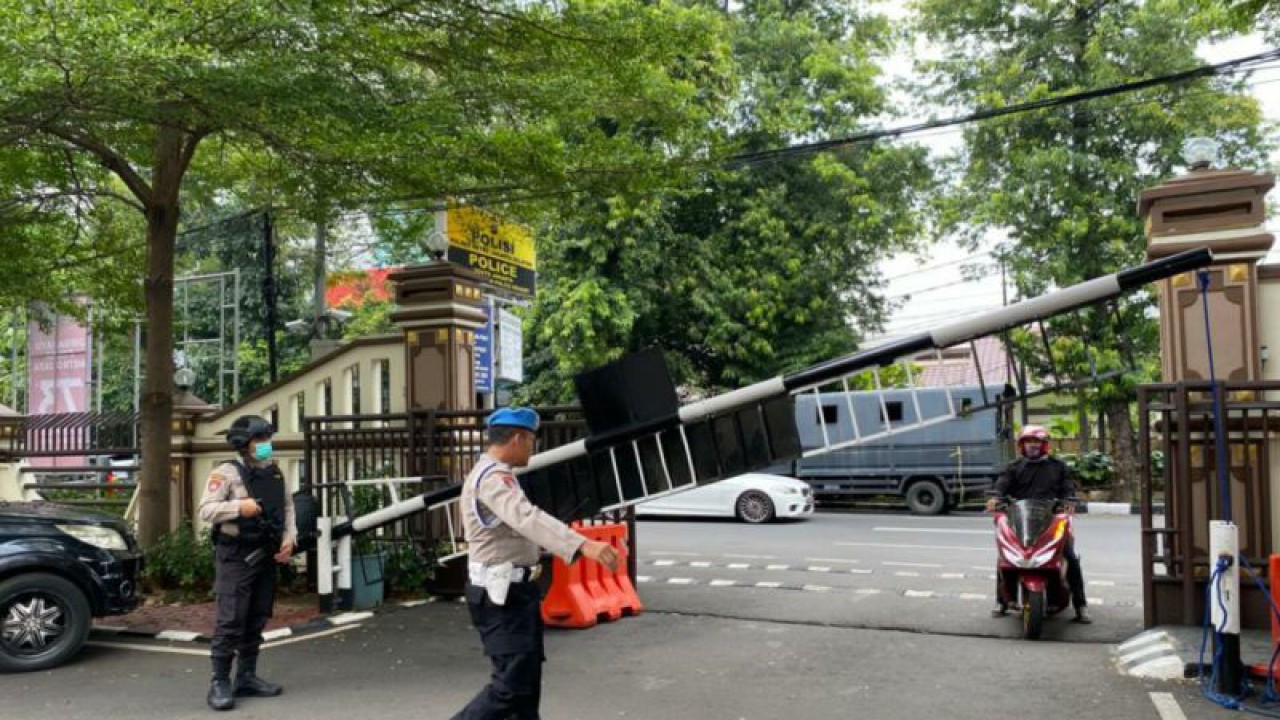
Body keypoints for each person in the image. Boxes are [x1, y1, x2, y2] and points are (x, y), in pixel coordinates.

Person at [452, 407, 621, 720]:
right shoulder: (492, 480)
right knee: (511, 689)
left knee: (525, 690)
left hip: (514, 591)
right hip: (500, 595)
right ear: (517, 438)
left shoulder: (497, 475)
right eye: (531, 441)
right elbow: (527, 518)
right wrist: (582, 544)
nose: (533, 448)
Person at [198, 415, 297, 711]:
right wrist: (239, 507)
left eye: (268, 439)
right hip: (235, 555)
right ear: (244, 444)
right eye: (260, 440)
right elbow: (206, 510)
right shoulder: (226, 473)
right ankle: (219, 682)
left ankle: (247, 676)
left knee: (257, 617)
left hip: (265, 554)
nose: (266, 445)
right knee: (230, 620)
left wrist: (289, 539)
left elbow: (288, 508)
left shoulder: (275, 472)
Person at [985, 424, 1090, 623]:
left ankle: (1080, 605)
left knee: (1070, 557)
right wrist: (996, 498)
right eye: (1028, 442)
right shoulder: (1014, 467)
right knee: (1005, 556)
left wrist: (1069, 502)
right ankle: (1002, 601)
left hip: (1052, 520)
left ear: (1044, 445)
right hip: (1021, 520)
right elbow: (1001, 486)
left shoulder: (1058, 466)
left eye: (1037, 442)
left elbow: (1068, 489)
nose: (1033, 445)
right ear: (1021, 445)